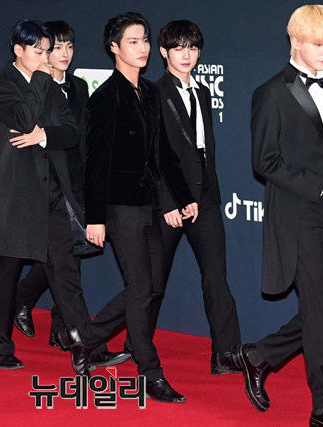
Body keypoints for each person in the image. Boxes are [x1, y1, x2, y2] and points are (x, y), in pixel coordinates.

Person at [237, 5, 323, 427]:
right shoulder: (271, 93)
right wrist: (320, 183)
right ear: (295, 41)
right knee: (319, 310)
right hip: (298, 215)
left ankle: (260, 354)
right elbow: (265, 162)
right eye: (317, 44)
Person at [0, 20, 127, 372]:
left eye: (48, 51)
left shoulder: (48, 83)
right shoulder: (1, 84)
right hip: (17, 193)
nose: (46, 57)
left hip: (52, 193)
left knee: (66, 274)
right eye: (39, 51)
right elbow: (22, 117)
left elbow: (70, 132)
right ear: (18, 50)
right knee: (7, 272)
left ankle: (89, 346)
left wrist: (43, 135)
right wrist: (38, 81)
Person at [79, 12, 196, 403]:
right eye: (133, 41)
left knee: (151, 286)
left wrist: (184, 196)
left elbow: (163, 153)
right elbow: (95, 163)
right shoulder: (104, 98)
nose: (142, 47)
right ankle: (150, 372)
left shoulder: (149, 92)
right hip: (119, 207)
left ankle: (85, 337)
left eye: (144, 40)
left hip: (149, 204)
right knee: (142, 288)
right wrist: (95, 218)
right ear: (114, 47)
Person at [13, 20, 111, 356]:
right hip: (47, 184)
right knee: (64, 261)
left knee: (66, 259)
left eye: (69, 46)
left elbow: (81, 136)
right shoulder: (32, 88)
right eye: (56, 47)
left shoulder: (79, 86)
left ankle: (49, 321)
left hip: (76, 180)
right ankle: (74, 335)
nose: (64, 53)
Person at [153, 20, 242, 375]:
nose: (186, 54)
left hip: (204, 196)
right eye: (178, 48)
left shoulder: (203, 92)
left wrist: (207, 190)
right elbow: (152, 155)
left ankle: (225, 353)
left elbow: (202, 149)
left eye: (192, 47)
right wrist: (166, 202)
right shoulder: (153, 93)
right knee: (152, 282)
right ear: (164, 52)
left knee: (216, 277)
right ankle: (136, 345)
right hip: (170, 200)